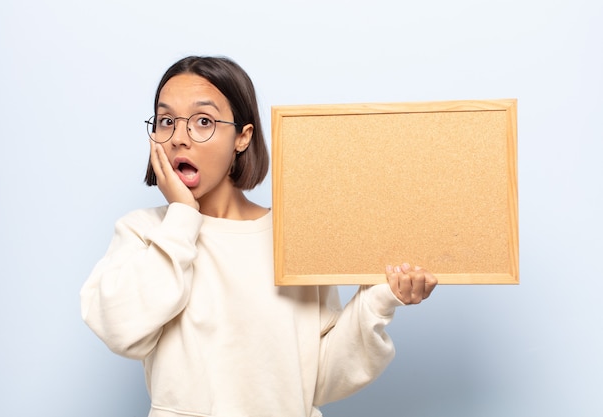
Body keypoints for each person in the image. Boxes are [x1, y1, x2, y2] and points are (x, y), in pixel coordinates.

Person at [80, 55, 437, 417]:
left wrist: (378, 300)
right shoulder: (145, 232)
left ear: (242, 137)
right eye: (166, 121)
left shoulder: (294, 235)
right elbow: (120, 330)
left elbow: (320, 377)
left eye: (203, 121)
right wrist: (183, 216)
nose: (179, 139)